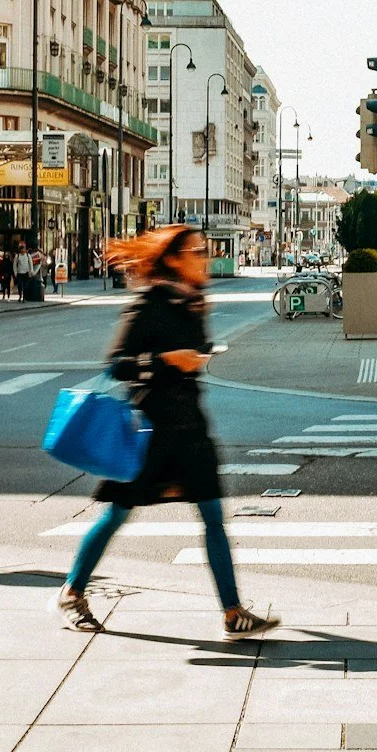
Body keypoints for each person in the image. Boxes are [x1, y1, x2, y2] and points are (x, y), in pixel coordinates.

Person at [58, 224, 277, 638]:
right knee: (117, 514)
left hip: (190, 428)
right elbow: (117, 365)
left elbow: (196, 351)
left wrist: (197, 354)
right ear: (174, 260)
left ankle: (233, 613)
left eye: (204, 251)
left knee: (213, 514)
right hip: (150, 430)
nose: (204, 258)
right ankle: (72, 592)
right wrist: (166, 360)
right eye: (196, 252)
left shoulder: (192, 302)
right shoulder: (150, 303)